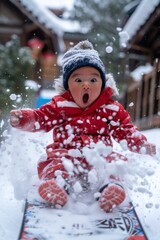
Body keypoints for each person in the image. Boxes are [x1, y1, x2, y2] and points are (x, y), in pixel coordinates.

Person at [10, 40, 156, 212]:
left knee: (114, 162)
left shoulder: (111, 109)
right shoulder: (60, 106)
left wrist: (140, 144)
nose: (86, 85)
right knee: (54, 163)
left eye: (93, 79)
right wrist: (23, 119)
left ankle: (112, 187)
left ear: (102, 84)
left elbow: (126, 130)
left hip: (98, 155)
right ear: (67, 86)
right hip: (66, 154)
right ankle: (56, 186)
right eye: (78, 79)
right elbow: (41, 118)